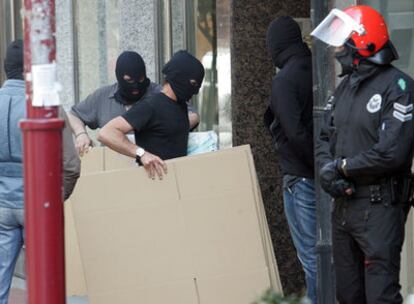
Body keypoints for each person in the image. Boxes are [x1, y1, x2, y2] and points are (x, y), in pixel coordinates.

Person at [312, 5, 414, 303]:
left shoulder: (399, 88)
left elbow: (392, 152)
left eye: (344, 43)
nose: (338, 51)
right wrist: (327, 173)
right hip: (344, 206)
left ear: (363, 41)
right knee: (348, 295)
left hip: (380, 207)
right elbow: (323, 137)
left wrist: (342, 167)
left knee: (380, 295)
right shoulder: (345, 89)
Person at [0, 40, 80, 304]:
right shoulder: (46, 106)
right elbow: (70, 164)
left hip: (1, 203)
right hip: (37, 203)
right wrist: (55, 198)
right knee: (45, 284)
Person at [265, 17, 317, 303]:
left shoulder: (285, 79)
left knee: (309, 256)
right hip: (319, 172)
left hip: (301, 177)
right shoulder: (317, 69)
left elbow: (293, 131)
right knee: (323, 253)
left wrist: (314, 168)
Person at [68, 51, 200, 156]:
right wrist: (81, 135)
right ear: (119, 77)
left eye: (140, 79)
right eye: (129, 80)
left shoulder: (160, 95)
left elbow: (192, 116)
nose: (135, 86)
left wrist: (161, 128)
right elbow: (75, 115)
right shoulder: (102, 96)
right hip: (116, 165)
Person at [98, 50, 204, 180]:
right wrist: (141, 154)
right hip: (153, 186)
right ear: (179, 77)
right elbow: (106, 133)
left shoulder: (181, 106)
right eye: (193, 83)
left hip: (175, 185)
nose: (195, 91)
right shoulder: (151, 106)